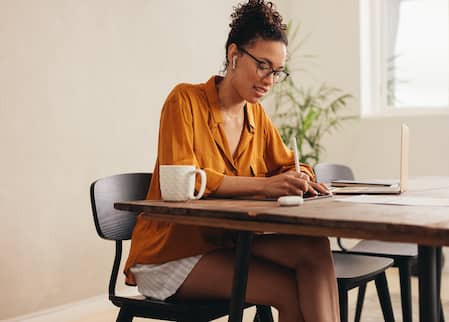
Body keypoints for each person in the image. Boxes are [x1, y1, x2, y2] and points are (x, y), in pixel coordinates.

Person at [124, 1, 340, 321]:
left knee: (314, 248)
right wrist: (265, 186)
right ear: (234, 55)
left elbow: (288, 164)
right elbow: (178, 184)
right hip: (170, 254)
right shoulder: (184, 100)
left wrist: (301, 177)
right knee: (285, 287)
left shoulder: (256, 115)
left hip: (224, 243)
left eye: (276, 72)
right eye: (263, 65)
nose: (269, 80)